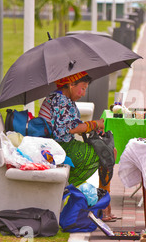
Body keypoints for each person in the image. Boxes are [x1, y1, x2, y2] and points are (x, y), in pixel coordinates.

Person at [40, 71, 118, 221]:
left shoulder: (58, 98)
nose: (83, 93)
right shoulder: (61, 101)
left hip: (57, 146)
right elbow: (69, 129)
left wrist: (91, 126)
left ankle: (101, 205)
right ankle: (101, 206)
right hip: (58, 148)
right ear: (70, 84)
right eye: (82, 88)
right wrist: (94, 124)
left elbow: (71, 126)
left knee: (108, 153)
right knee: (107, 154)